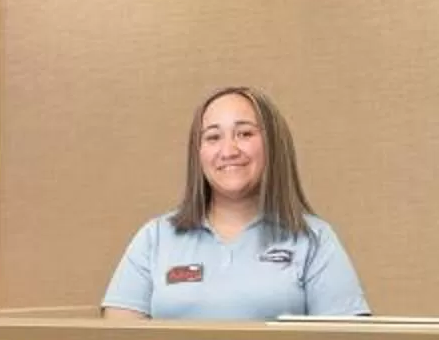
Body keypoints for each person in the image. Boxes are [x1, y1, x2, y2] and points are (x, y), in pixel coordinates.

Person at [102, 87, 368, 320]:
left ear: (273, 145)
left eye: (244, 134)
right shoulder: (156, 238)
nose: (228, 151)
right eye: (213, 137)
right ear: (198, 153)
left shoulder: (314, 240)